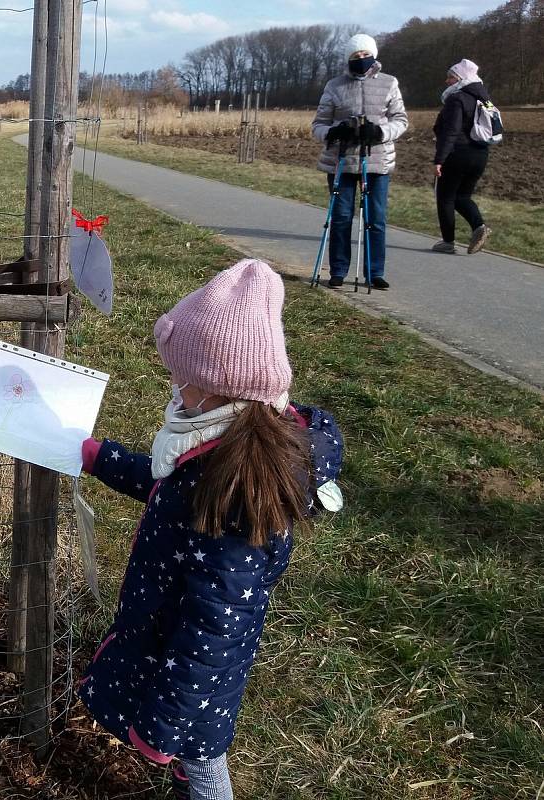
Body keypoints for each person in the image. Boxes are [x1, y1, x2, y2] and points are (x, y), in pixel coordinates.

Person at [78, 258, 344, 799]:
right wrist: (100, 456)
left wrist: (162, 727)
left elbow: (214, 625)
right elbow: (169, 491)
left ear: (221, 385)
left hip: (194, 680)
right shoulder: (226, 444)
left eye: (185, 379)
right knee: (193, 761)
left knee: (203, 764)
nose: (177, 387)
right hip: (178, 654)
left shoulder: (237, 488)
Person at [312, 33, 408, 291]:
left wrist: (379, 132)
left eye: (365, 55)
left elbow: (401, 120)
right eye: (356, 56)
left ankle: (375, 272)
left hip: (376, 161)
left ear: (374, 55)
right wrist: (333, 132)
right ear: (348, 59)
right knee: (341, 217)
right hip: (341, 162)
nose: (361, 59)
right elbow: (318, 124)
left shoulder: (389, 83)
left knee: (376, 219)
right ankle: (338, 270)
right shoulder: (335, 86)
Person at [432, 59, 492, 255]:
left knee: (445, 197)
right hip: (481, 154)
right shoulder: (484, 98)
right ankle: (479, 227)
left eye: (451, 77)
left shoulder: (457, 99)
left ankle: (448, 242)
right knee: (462, 196)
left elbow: (451, 131)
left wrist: (439, 159)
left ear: (460, 78)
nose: (447, 81)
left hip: (458, 153)